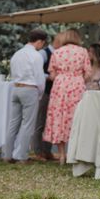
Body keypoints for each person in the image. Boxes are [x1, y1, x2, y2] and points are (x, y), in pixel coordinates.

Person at [43, 29, 91, 165]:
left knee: (60, 118)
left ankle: (62, 155)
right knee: (77, 117)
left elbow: (52, 75)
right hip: (77, 86)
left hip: (60, 87)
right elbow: (88, 73)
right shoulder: (83, 51)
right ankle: (74, 154)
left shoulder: (57, 52)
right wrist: (78, 79)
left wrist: (61, 77)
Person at [3, 29, 48, 163]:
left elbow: (12, 72)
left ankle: (7, 154)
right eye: (43, 43)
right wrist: (40, 93)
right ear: (39, 41)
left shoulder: (17, 54)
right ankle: (21, 156)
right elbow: (39, 78)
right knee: (28, 124)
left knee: (13, 124)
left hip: (16, 88)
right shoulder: (36, 56)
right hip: (29, 89)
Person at [31, 32, 63, 161]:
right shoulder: (44, 53)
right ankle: (38, 152)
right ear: (56, 41)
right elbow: (36, 71)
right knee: (40, 122)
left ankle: (47, 151)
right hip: (45, 92)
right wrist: (48, 77)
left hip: (55, 93)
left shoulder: (59, 54)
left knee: (51, 122)